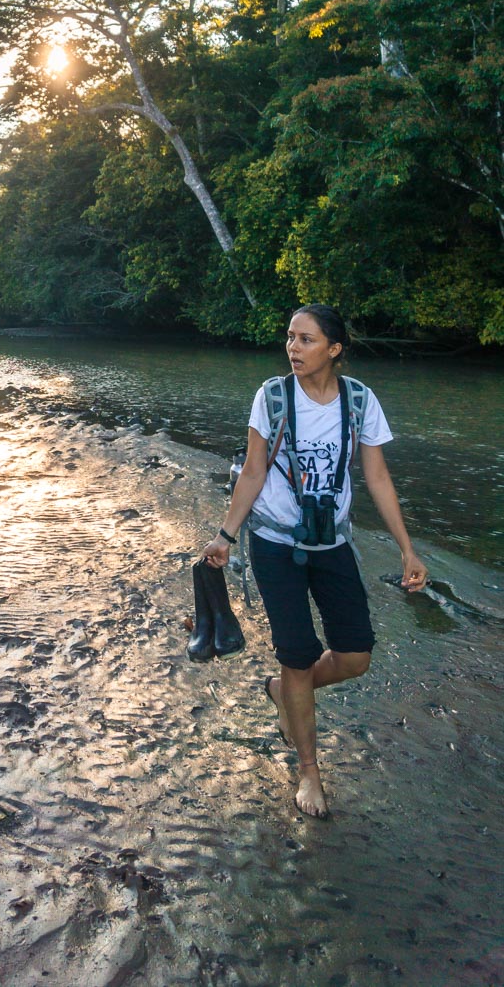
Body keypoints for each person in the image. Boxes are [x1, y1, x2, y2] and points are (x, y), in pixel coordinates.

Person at [201, 304, 427, 819]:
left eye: (305, 340)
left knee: (355, 657)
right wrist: (226, 535)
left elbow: (378, 478)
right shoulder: (273, 396)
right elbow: (254, 471)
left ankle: (284, 692)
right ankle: (309, 770)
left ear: (334, 348)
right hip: (276, 542)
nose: (293, 348)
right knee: (298, 652)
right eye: (290, 338)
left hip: (332, 542)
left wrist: (407, 547)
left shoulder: (359, 401)